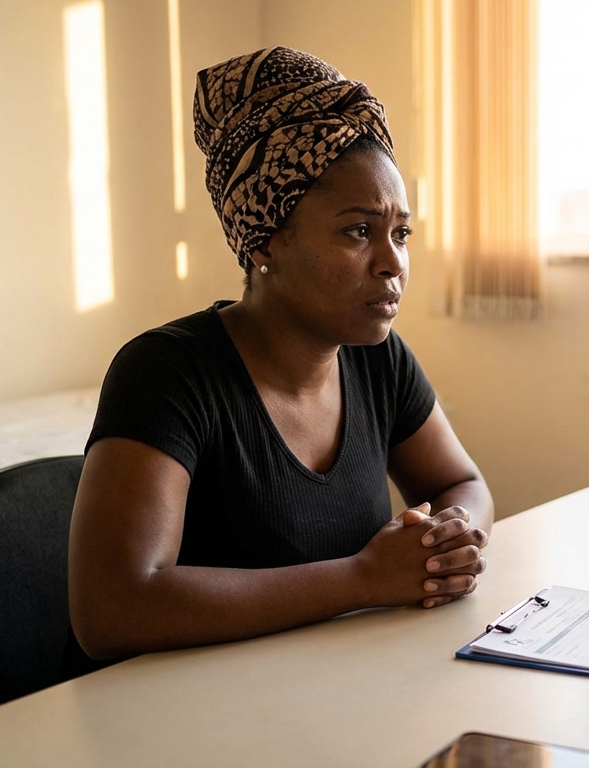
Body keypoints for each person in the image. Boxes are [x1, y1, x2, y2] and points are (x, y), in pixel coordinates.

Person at [69, 47, 493, 660]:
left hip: (323, 689)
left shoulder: (377, 357)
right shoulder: (168, 373)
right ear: (266, 239)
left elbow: (461, 481)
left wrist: (453, 536)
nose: (393, 262)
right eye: (358, 231)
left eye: (400, 233)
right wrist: (364, 578)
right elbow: (114, 608)